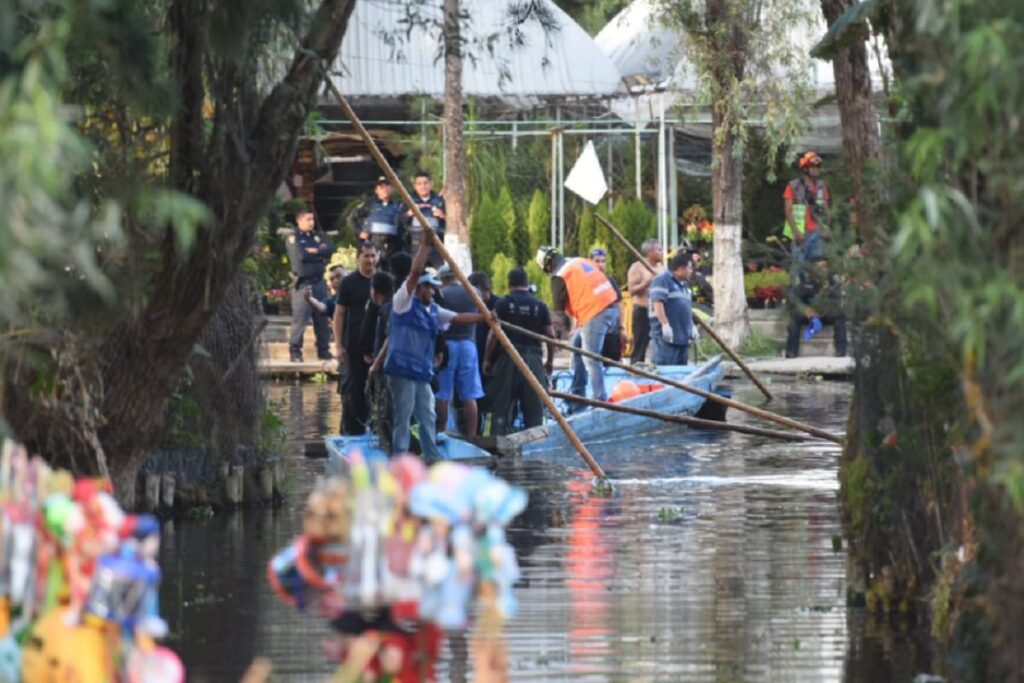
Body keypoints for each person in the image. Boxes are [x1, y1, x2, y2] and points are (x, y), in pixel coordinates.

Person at [383, 230, 487, 461]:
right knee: (404, 416)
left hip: (421, 373)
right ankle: (400, 459)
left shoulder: (432, 310)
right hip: (402, 371)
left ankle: (431, 457)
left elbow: (458, 317)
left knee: (428, 415)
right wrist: (425, 245)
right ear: (419, 288)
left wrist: (485, 317)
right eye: (429, 287)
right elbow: (414, 273)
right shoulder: (403, 302)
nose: (433, 291)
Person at [536, 246, 619, 403]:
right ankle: (578, 391)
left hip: (595, 311)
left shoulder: (560, 275)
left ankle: (599, 398)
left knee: (590, 357)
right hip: (610, 306)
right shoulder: (578, 261)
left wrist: (556, 336)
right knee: (576, 346)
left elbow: (559, 314)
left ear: (547, 266)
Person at [483, 267, 555, 435]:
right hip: (533, 360)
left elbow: (493, 335)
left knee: (501, 404)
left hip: (508, 358)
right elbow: (550, 336)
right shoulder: (540, 306)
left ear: (509, 284)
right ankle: (535, 441)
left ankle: (497, 439)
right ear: (527, 284)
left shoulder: (503, 304)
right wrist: (550, 361)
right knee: (534, 406)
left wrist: (487, 359)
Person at [334, 241, 379, 434]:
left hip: (377, 345)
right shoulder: (348, 282)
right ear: (359, 257)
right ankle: (352, 430)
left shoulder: (383, 280)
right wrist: (338, 345)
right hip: (353, 344)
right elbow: (339, 314)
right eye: (366, 256)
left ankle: (377, 428)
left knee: (377, 388)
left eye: (373, 256)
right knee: (353, 388)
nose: (370, 260)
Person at [435, 266, 485, 437]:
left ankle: (442, 431)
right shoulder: (474, 292)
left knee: (442, 392)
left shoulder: (441, 294)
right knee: (470, 394)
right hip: (468, 345)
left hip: (447, 345)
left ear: (442, 279)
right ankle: (472, 435)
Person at [286, 207, 335, 362]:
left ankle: (323, 350)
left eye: (312, 219)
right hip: (303, 283)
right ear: (299, 220)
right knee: (300, 319)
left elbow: (329, 250)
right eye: (308, 219)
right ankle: (295, 351)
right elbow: (301, 256)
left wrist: (314, 251)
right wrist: (319, 252)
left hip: (318, 282)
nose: (311, 222)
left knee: (322, 319)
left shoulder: (318, 236)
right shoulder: (293, 237)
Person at [785, 256, 847, 358]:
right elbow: (794, 298)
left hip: (825, 313)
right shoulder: (804, 278)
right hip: (808, 313)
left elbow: (837, 300)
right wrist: (804, 309)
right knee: (794, 315)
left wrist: (825, 309)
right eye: (818, 267)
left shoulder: (833, 280)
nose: (822, 269)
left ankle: (840, 350)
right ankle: (791, 351)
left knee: (840, 315)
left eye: (824, 266)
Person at [784, 151, 831, 262]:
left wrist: (826, 229)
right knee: (798, 267)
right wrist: (796, 232)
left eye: (817, 167)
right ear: (805, 168)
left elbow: (827, 210)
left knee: (817, 267)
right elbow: (788, 211)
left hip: (817, 233)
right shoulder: (793, 186)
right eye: (813, 166)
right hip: (800, 234)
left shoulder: (821, 186)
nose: (816, 169)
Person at [649, 252, 694, 366]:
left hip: (682, 338)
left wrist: (691, 327)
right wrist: (665, 324)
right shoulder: (662, 280)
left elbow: (686, 309)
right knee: (665, 371)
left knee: (680, 373)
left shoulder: (683, 286)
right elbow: (657, 302)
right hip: (666, 339)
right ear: (681, 269)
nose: (691, 271)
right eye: (689, 268)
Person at [347, 176, 403, 266]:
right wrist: (360, 232)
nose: (385, 189)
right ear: (376, 190)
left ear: (391, 188)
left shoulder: (399, 205)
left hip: (391, 249)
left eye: (387, 186)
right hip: (371, 246)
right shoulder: (370, 204)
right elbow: (351, 218)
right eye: (381, 187)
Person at [626, 238, 665, 363]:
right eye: (659, 250)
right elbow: (631, 290)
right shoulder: (637, 267)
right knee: (640, 344)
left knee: (660, 343)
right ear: (650, 252)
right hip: (642, 310)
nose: (662, 252)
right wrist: (645, 283)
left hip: (658, 311)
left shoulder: (662, 268)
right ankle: (636, 367)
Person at [590, 248, 629, 362]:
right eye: (597, 261)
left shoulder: (610, 282)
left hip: (611, 333)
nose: (601, 264)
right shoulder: (586, 282)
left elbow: (619, 305)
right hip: (592, 332)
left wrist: (622, 328)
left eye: (603, 261)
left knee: (613, 364)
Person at [399, 171, 445, 267]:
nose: (423, 186)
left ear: (430, 184)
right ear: (415, 186)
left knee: (440, 272)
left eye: (425, 183)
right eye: (419, 184)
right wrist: (409, 213)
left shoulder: (440, 200)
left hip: (436, 247)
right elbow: (398, 221)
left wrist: (442, 215)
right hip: (415, 247)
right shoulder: (408, 201)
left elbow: (453, 223)